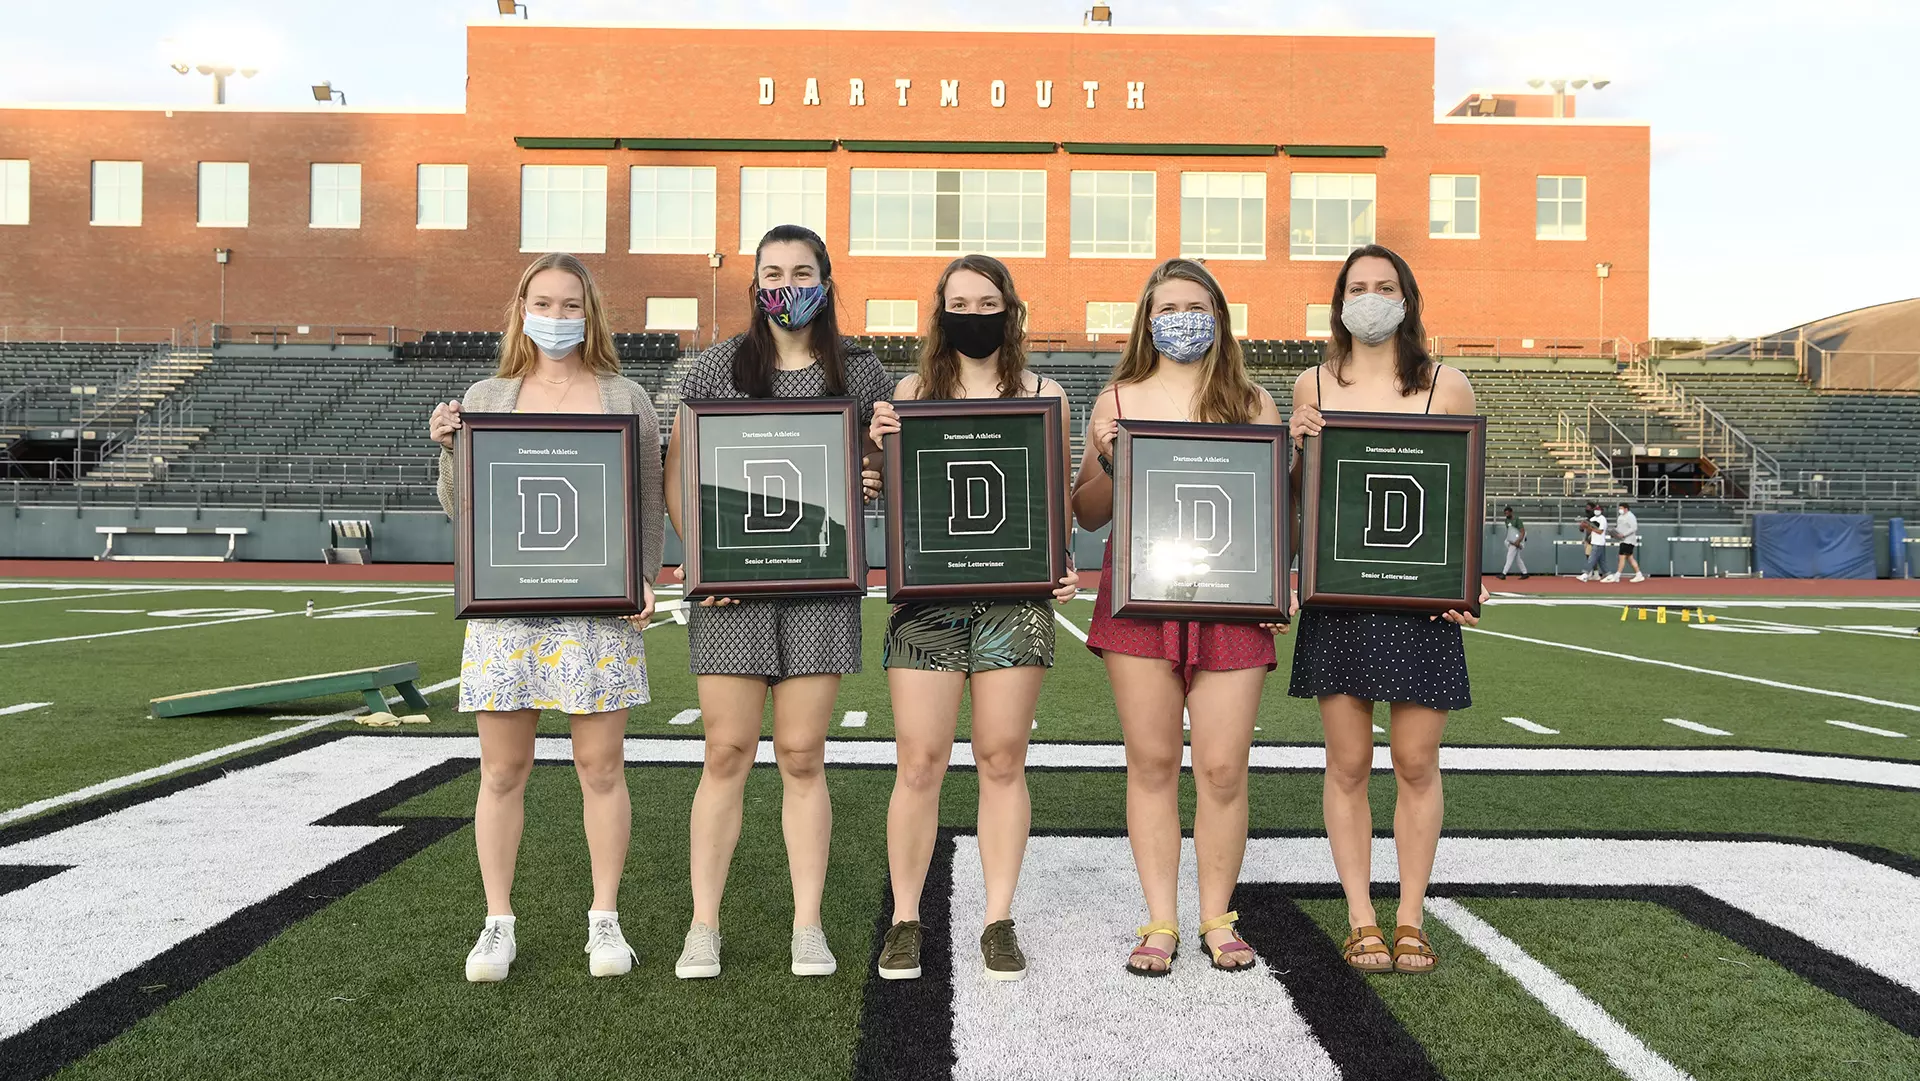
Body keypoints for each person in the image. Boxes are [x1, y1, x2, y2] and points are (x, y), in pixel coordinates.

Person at [662, 225, 892, 980]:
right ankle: (704, 925)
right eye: (773, 271)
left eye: (802, 270)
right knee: (725, 751)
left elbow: (888, 467)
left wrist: (872, 474)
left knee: (801, 754)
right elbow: (676, 473)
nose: (786, 283)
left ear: (826, 278)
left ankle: (807, 924)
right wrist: (702, 556)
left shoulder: (860, 371)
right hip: (732, 590)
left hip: (818, 588)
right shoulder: (716, 367)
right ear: (754, 281)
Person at [428, 252, 663, 983]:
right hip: (509, 609)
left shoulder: (626, 397)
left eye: (570, 305)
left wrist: (646, 578)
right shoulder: (487, 397)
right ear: (520, 308)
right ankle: (497, 921)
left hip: (597, 610)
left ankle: (604, 920)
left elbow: (647, 501)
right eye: (543, 302)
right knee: (502, 769)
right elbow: (460, 508)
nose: (556, 317)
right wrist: (447, 449)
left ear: (589, 314)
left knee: (601, 765)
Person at [862, 255, 1080, 983]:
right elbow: (895, 502)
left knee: (1001, 759)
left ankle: (998, 917)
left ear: (1010, 310)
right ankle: (904, 917)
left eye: (987, 301)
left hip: (1015, 603)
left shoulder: (1046, 393)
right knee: (919, 761)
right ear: (940, 310)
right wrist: (876, 450)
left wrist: (1059, 557)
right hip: (928, 601)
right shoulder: (909, 392)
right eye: (960, 301)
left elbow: (1058, 505)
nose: (973, 313)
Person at [1074, 258, 1283, 977]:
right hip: (1142, 598)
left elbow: (1273, 515)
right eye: (1169, 307)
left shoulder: (1254, 401)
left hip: (1229, 602)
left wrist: (1273, 589)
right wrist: (1104, 454)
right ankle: (1160, 917)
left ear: (1219, 317)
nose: (1183, 319)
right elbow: (1090, 514)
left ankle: (1218, 916)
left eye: (1197, 306)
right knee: (1155, 761)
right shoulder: (1118, 397)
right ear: (1147, 319)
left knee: (1223, 767)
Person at [1287, 244, 1487, 976]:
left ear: (1409, 298)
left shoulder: (1448, 385)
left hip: (1418, 602)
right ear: (1340, 300)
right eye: (1358, 286)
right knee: (1347, 761)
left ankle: (1410, 914)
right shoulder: (1312, 381)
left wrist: (1468, 578)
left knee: (1415, 759)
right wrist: (1296, 447)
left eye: (1385, 286)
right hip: (1341, 597)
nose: (1371, 297)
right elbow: (1302, 503)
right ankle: (1361, 916)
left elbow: (1462, 498)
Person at [1604, 502, 1645, 583]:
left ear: (1626, 509)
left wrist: (1624, 534)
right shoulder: (1620, 517)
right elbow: (1619, 528)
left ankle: (1617, 576)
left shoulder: (1630, 516)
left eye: (1621, 508)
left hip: (1628, 540)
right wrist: (1614, 534)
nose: (1620, 510)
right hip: (1623, 540)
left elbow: (1634, 528)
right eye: (1619, 508)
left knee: (1621, 557)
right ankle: (1639, 574)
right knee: (1630, 558)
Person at [1577, 501, 1608, 582]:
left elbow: (1598, 530)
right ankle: (1607, 574)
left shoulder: (1601, 519)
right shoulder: (1591, 518)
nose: (1587, 508)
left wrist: (1588, 528)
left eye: (1589, 507)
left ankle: (1586, 573)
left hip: (1595, 540)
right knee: (1600, 560)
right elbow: (1582, 528)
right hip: (1591, 539)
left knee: (1592, 558)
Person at [1498, 505, 1529, 580]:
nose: (1506, 515)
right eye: (1505, 513)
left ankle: (1504, 573)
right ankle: (1525, 573)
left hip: (1517, 540)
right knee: (1517, 558)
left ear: (1511, 512)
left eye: (1507, 513)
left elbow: (1522, 531)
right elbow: (1510, 532)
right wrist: (1511, 541)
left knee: (1509, 556)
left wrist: (1518, 541)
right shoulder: (1506, 520)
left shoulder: (1517, 520)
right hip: (1511, 540)